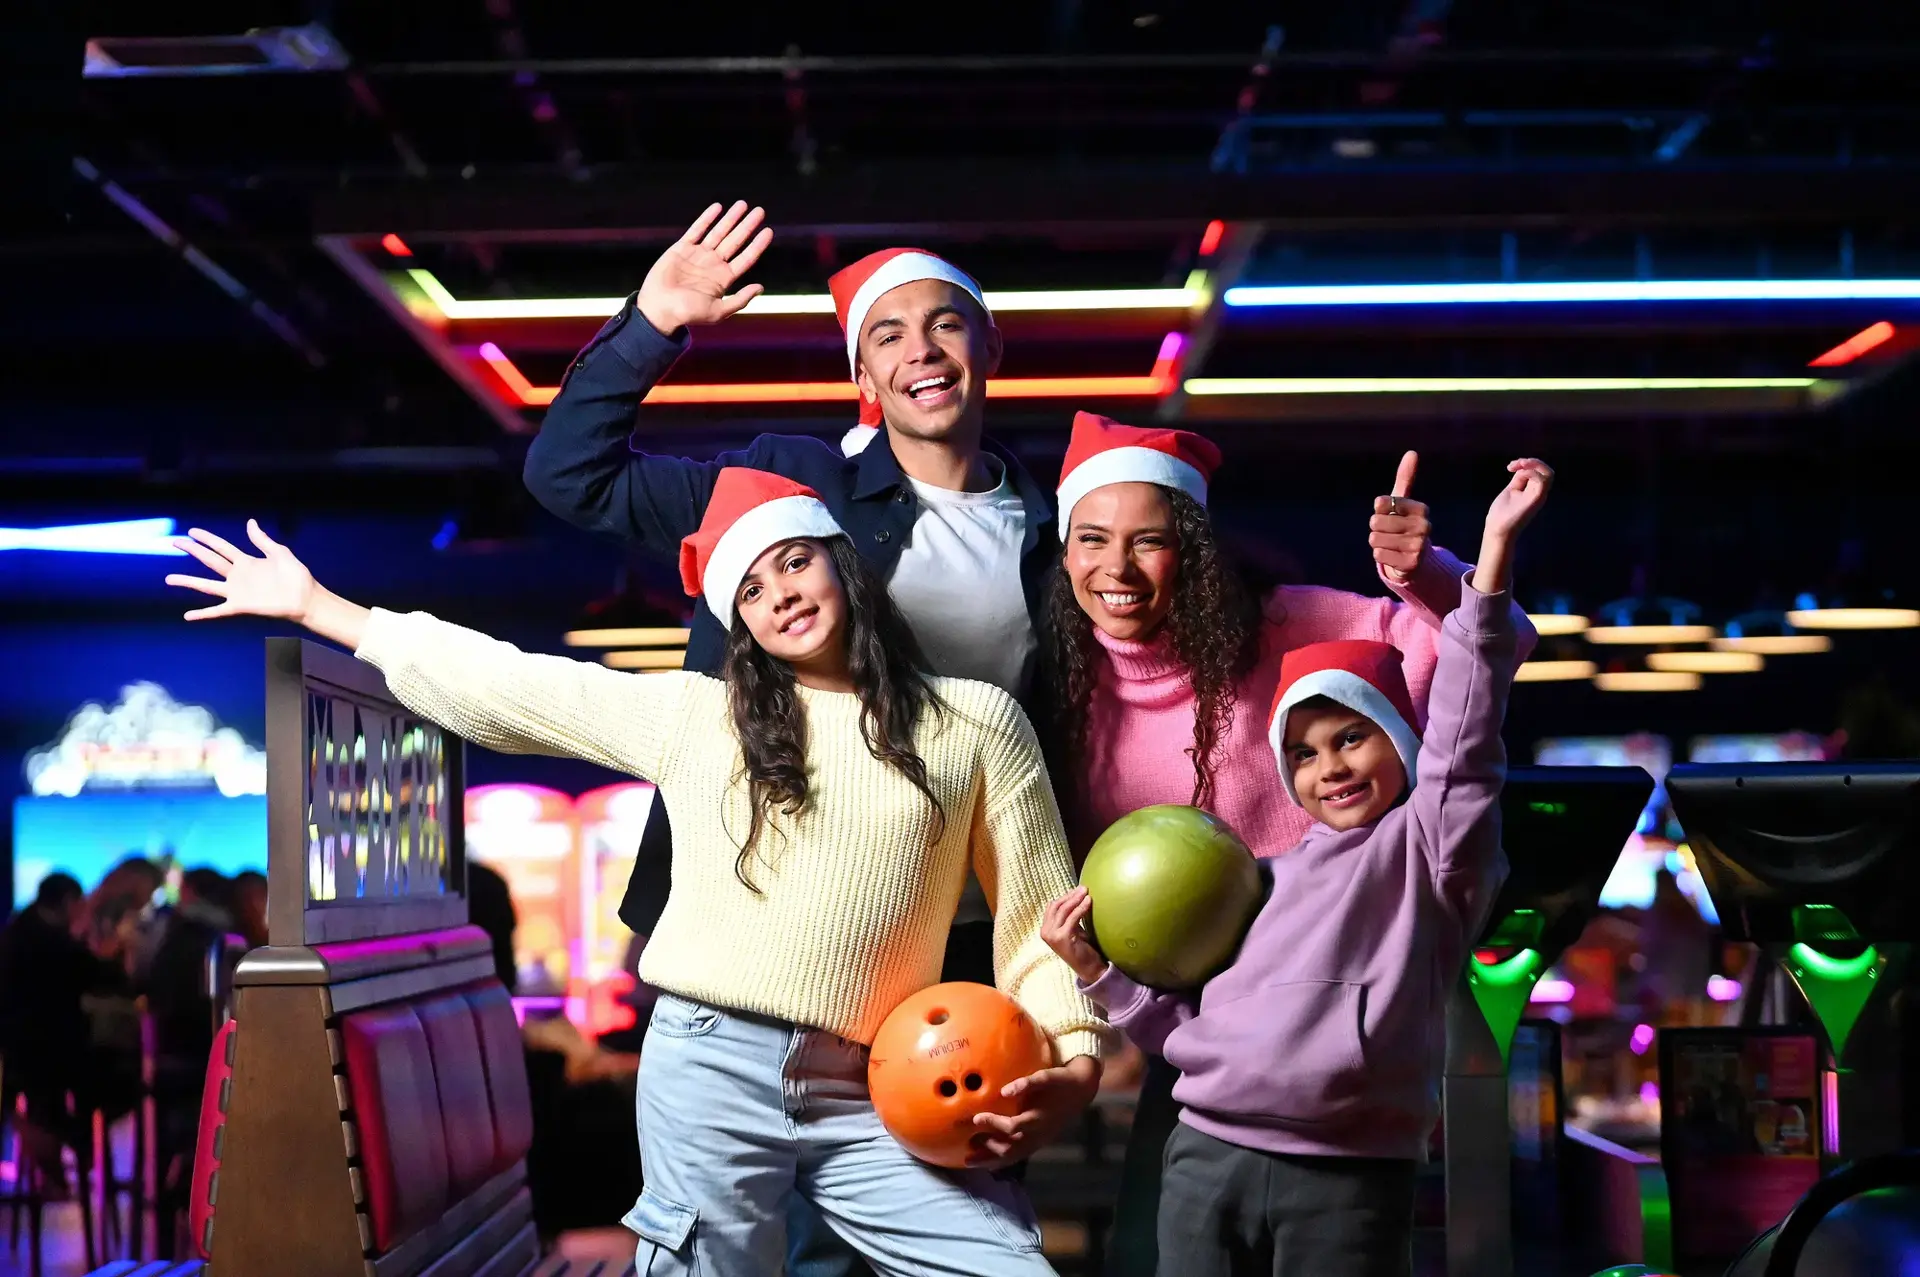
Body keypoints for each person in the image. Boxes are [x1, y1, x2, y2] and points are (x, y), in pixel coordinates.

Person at [163, 469, 1106, 1276]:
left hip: (881, 1079)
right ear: (738, 623)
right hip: (709, 1064)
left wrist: (1076, 1059)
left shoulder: (976, 721)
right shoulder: (704, 717)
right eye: (749, 589)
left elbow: (1036, 917)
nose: (778, 592)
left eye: (794, 560)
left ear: (840, 561)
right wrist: (322, 609)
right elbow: (512, 686)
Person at [524, 205, 1057, 1273]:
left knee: (961, 1231)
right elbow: (567, 475)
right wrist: (652, 323)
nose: (922, 351)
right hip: (766, 934)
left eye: (945, 324)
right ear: (863, 373)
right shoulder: (788, 487)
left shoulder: (1057, 534)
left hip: (944, 956)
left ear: (989, 346)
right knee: (786, 1252)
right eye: (890, 335)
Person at [1037, 412, 1536, 1273]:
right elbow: (1176, 1020)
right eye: (1091, 538)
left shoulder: (1295, 629)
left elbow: (1477, 682)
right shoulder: (1060, 681)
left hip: (1344, 1065)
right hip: (1213, 1052)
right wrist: (1097, 976)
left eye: (1149, 540)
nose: (1116, 568)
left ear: (1190, 548)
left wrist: (1439, 575)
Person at [0, 872, 131, 1188]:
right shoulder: (48, 939)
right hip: (44, 1052)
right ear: (69, 902)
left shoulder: (24, 927)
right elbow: (98, 975)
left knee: (61, 1097)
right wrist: (119, 951)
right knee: (118, 1079)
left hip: (26, 1050)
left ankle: (56, 1154)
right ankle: (68, 1148)